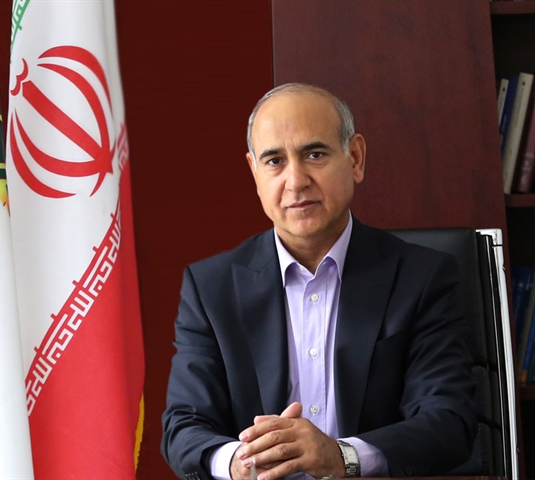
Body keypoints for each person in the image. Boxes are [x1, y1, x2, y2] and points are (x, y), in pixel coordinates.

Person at [161, 83, 477, 480]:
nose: (296, 180)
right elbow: (183, 427)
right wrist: (240, 461)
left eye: (315, 154)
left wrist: (342, 457)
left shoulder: (423, 278)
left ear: (355, 158)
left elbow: (449, 422)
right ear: (255, 172)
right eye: (274, 161)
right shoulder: (211, 288)